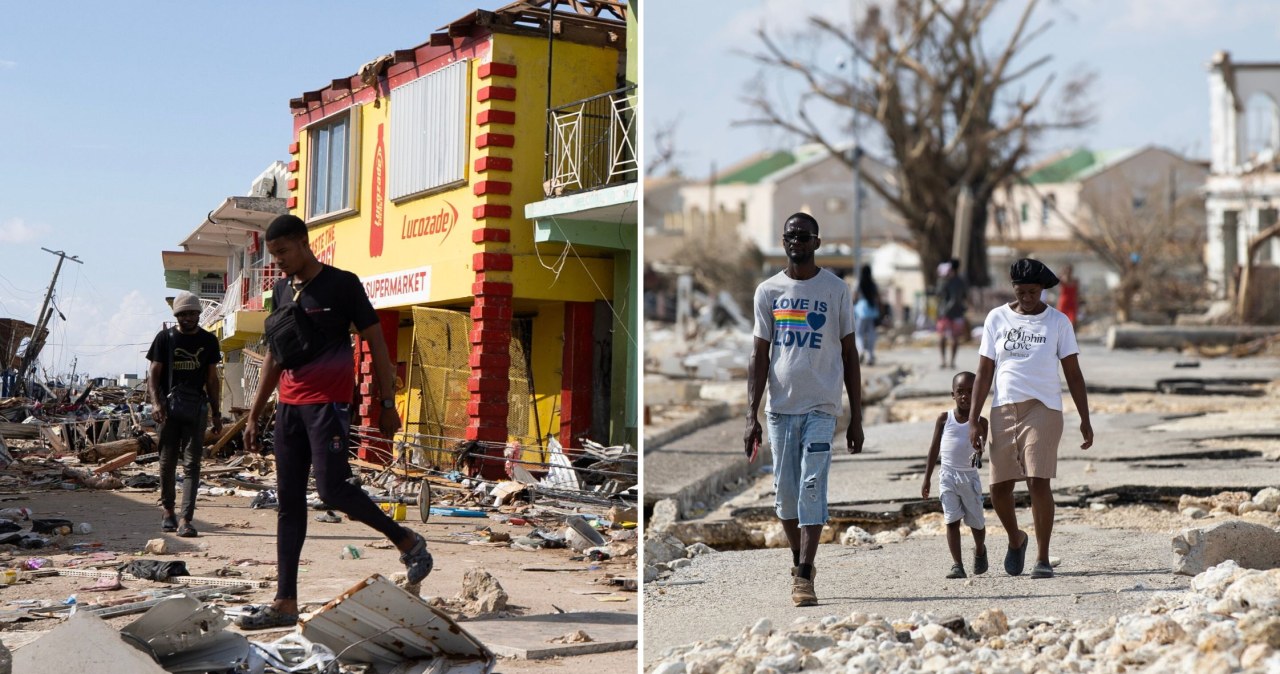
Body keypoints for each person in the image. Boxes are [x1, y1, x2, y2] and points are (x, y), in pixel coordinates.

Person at [239, 214, 433, 629]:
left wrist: (386, 401)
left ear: (304, 244)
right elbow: (275, 351)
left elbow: (376, 340)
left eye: (284, 253)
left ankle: (408, 541)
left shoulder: (342, 283)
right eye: (273, 256)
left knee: (333, 489)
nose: (280, 263)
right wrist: (255, 413)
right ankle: (285, 602)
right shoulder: (282, 289)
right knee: (288, 504)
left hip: (328, 405)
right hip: (290, 408)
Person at [745, 212, 865, 607]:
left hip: (822, 406)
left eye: (803, 236)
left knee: (812, 487)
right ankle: (801, 560)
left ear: (817, 242)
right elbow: (759, 355)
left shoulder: (835, 290)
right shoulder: (767, 292)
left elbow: (849, 354)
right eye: (790, 236)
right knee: (785, 496)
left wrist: (856, 417)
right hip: (780, 409)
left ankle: (803, 574)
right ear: (783, 242)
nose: (796, 241)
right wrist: (752, 415)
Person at [967, 258, 1093, 580]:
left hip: (1044, 408)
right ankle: (1016, 538)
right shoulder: (997, 319)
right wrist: (973, 418)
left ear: (1043, 290)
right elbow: (984, 372)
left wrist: (1085, 418)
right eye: (1022, 292)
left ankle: (1042, 557)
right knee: (998, 489)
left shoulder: (1058, 322)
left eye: (1033, 292)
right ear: (1013, 289)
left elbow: (1074, 375)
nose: (1027, 297)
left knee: (1038, 480)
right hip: (1003, 408)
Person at [147, 292, 222, 538]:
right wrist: (156, 404)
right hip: (168, 411)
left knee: (192, 465)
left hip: (196, 409)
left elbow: (212, 379)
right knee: (167, 463)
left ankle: (186, 519)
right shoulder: (165, 339)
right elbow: (154, 375)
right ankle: (167, 510)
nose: (188, 318)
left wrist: (217, 412)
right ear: (176, 316)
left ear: (199, 314)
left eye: (192, 313)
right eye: (183, 314)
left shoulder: (209, 341)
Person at [921, 371, 988, 579]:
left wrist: (979, 447)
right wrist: (927, 478)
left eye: (970, 391)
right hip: (947, 476)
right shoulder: (944, 419)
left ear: (977, 394)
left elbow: (981, 451)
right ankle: (957, 564)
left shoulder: (980, 422)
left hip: (969, 477)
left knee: (976, 522)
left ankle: (980, 550)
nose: (965, 396)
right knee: (951, 520)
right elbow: (934, 449)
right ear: (953, 394)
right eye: (960, 392)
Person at [935, 259, 968, 369]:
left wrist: (944, 312)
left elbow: (954, 299)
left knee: (947, 337)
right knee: (950, 338)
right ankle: (948, 361)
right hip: (955, 313)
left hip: (949, 313)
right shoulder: (955, 280)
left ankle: (946, 361)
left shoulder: (953, 281)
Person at [853, 264, 881, 366]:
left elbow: (854, 296)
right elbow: (878, 298)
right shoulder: (873, 284)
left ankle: (860, 351)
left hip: (861, 310)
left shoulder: (858, 283)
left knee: (859, 333)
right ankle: (870, 355)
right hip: (871, 309)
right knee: (871, 333)